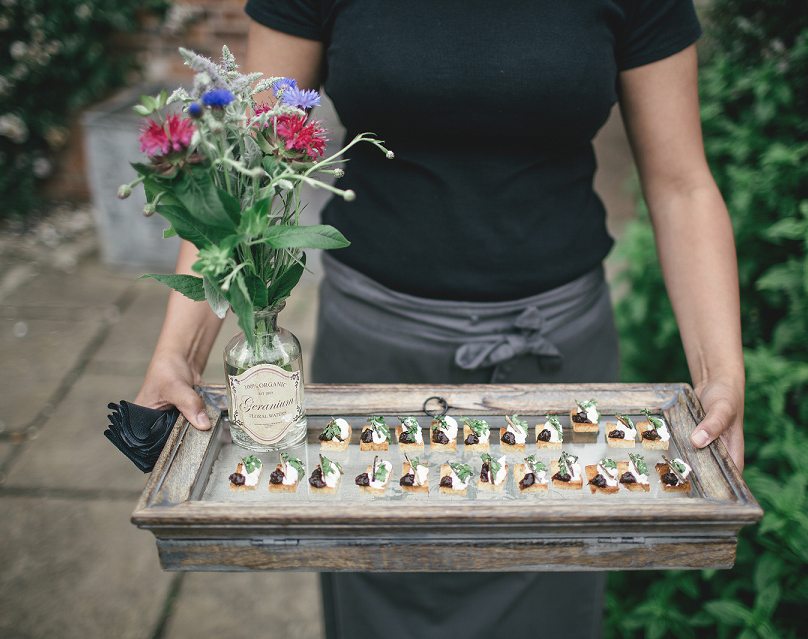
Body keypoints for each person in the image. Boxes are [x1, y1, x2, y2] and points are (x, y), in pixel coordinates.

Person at [135, 1, 745, 637]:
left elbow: (682, 184)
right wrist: (178, 353)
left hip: (558, 373)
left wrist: (721, 371)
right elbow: (246, 164)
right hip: (372, 363)